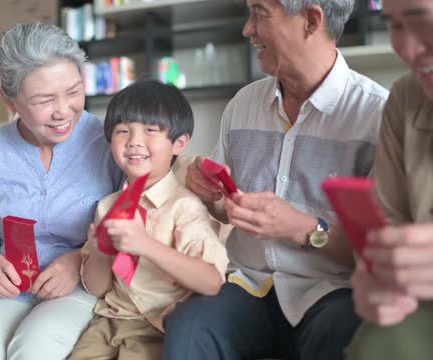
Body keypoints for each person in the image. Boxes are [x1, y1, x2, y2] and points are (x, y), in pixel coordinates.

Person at [162, 0, 390, 359]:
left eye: (260, 13)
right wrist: (214, 197)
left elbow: (378, 248)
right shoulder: (242, 105)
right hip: (248, 285)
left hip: (331, 290)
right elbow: (225, 209)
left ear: (311, 20)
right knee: (189, 327)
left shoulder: (375, 116)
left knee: (347, 330)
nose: (247, 28)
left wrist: (301, 227)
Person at [0, 22, 124, 360]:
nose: (63, 110)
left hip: (81, 284)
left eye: (73, 91)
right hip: (8, 288)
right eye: (44, 100)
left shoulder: (110, 143)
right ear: (10, 101)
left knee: (37, 346)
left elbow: (124, 225)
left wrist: (76, 260)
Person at [69, 80, 229, 360]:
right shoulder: (108, 206)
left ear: (179, 142)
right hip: (108, 321)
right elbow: (97, 287)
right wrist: (98, 252)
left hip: (159, 326)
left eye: (150, 130)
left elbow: (212, 281)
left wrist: (145, 245)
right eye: (122, 131)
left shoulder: (184, 206)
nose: (133, 141)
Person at [345, 0, 433, 358]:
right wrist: (374, 281)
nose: (408, 50)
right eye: (394, 26)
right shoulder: (406, 98)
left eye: (421, 20)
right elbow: (386, 224)